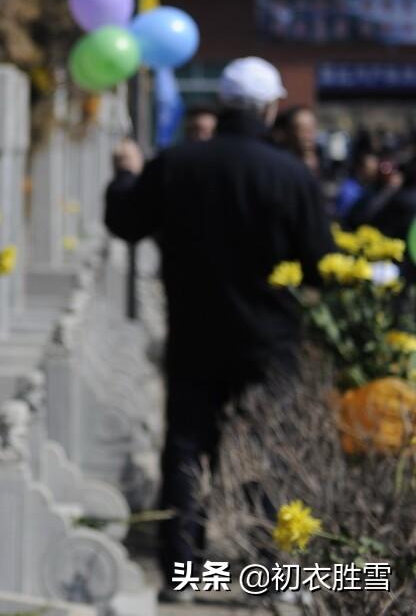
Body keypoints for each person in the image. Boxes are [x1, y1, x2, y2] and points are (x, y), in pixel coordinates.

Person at [104, 57, 331, 603]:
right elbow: (321, 262)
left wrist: (126, 175)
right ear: (272, 107)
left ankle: (181, 570)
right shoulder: (292, 175)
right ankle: (277, 574)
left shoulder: (177, 163)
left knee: (186, 450)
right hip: (270, 339)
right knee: (271, 454)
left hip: (194, 333)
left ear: (223, 105)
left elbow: (125, 222)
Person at [273, 105, 321, 177]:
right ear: (288, 132)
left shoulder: (322, 160)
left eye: (311, 129)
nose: (308, 136)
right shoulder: (279, 166)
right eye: (302, 130)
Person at [335, 151, 379, 221]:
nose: (374, 173)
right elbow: (343, 215)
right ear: (361, 168)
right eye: (371, 169)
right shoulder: (349, 190)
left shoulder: (372, 187)